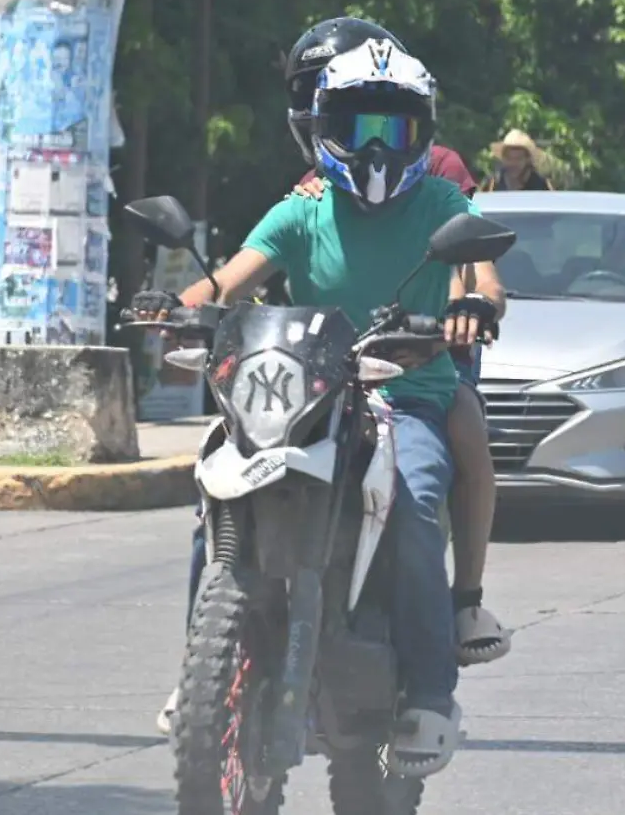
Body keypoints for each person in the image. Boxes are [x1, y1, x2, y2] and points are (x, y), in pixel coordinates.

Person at [139, 38, 496, 778]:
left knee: (415, 500)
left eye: (392, 130)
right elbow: (230, 281)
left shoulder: (442, 202)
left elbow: (484, 281)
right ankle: (200, 675)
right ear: (324, 125)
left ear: (420, 135)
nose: (374, 147)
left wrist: (470, 306)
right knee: (216, 507)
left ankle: (430, 691)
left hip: (407, 398)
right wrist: (175, 307)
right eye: (359, 126)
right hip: (300, 396)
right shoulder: (300, 210)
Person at [290, 142, 512, 672]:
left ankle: (465, 600)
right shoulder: (323, 181)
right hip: (340, 365)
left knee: (466, 431)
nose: (374, 138)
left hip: (433, 350)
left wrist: (463, 311)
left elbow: (467, 258)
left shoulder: (441, 173)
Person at [480, 129, 556, 191]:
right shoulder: (492, 183)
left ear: (527, 159)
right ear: (503, 159)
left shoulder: (541, 185)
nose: (513, 163)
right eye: (509, 158)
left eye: (518, 159)